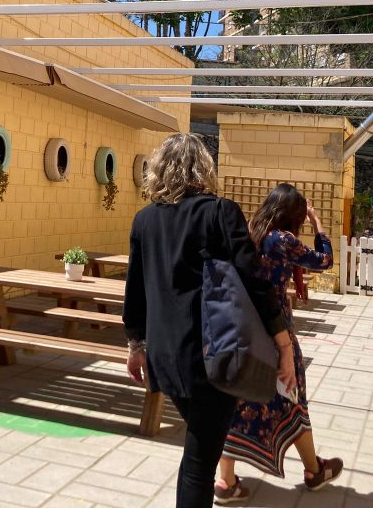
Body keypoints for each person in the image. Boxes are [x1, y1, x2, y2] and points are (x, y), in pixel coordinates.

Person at [122, 134, 294, 508]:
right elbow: (254, 280)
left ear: (159, 169)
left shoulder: (144, 220)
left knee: (200, 446)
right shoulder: (220, 212)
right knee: (199, 463)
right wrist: (282, 340)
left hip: (165, 357)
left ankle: (225, 485)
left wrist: (135, 346)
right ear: (203, 168)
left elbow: (135, 289)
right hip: (212, 357)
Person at [215, 183, 343, 502]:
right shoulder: (283, 240)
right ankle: (313, 470)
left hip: (247, 329)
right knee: (292, 395)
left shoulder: (251, 232)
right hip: (277, 330)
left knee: (238, 401)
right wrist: (317, 223)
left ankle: (225, 480)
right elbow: (324, 260)